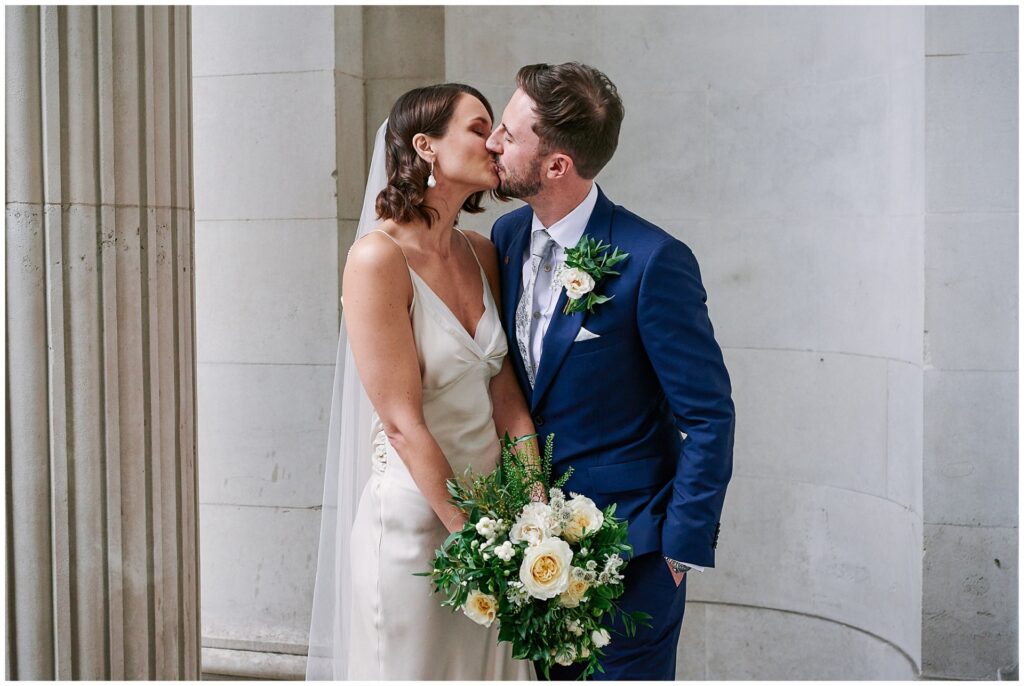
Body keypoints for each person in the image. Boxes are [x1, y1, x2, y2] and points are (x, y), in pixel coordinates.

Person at [486, 62, 735, 681]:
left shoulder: (654, 261)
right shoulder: (506, 235)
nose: (492, 142)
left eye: (508, 136)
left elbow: (708, 415)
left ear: (557, 166)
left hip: (633, 558)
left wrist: (679, 548)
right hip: (528, 551)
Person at [306, 84, 536, 680]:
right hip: (418, 528)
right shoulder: (376, 260)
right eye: (476, 125)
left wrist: (532, 519)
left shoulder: (482, 252)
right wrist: (476, 544)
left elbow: (506, 395)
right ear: (425, 146)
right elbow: (403, 424)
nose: (493, 141)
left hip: (497, 520)